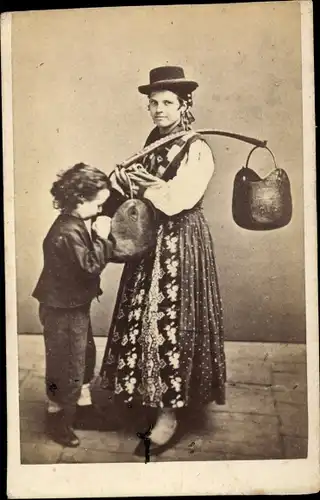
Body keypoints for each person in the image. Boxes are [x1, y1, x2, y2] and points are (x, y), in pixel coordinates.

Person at [99, 66, 226, 455]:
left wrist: (146, 185)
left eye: (167, 103)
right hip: (148, 240)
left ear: (185, 105)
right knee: (143, 317)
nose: (157, 110)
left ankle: (169, 413)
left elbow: (179, 198)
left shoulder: (197, 147)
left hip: (180, 243)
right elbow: (140, 191)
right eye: (152, 103)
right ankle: (143, 397)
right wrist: (123, 180)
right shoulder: (155, 139)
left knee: (172, 319)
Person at [32, 163, 113, 447]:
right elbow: (90, 266)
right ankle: (57, 418)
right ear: (80, 199)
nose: (102, 210)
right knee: (64, 362)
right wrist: (103, 236)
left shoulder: (75, 224)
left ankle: (83, 409)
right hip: (61, 309)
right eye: (99, 204)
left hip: (73, 305)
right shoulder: (68, 231)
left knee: (83, 355)